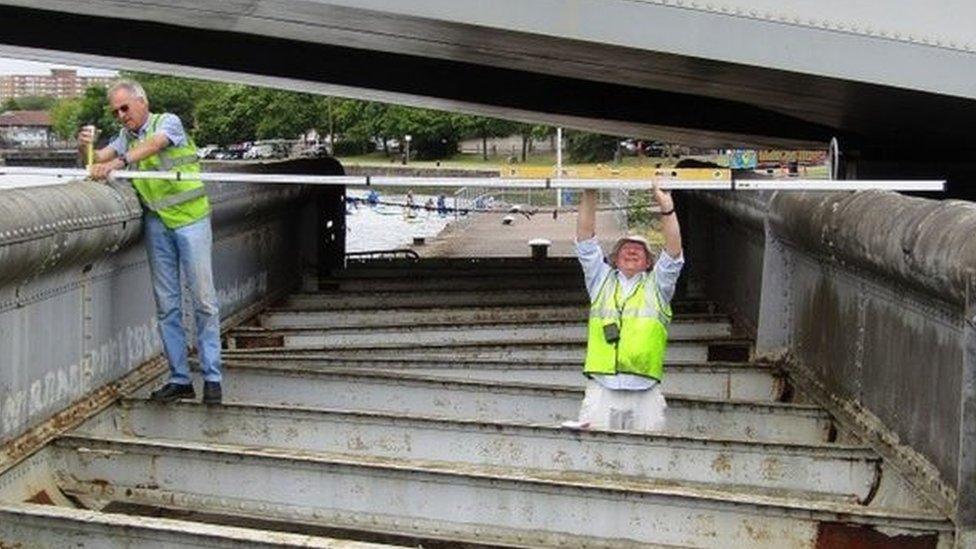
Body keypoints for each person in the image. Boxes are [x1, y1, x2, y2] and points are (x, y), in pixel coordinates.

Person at [78, 79, 223, 405]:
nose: (121, 116)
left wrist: (118, 162)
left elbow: (154, 145)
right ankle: (179, 378)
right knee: (167, 304)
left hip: (191, 220)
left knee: (203, 300)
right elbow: (96, 158)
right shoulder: (125, 137)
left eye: (125, 108)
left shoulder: (167, 122)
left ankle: (213, 378)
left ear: (141, 102)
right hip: (157, 222)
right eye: (116, 111)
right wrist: (85, 146)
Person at [565, 182, 683, 432]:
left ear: (648, 262)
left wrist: (667, 209)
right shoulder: (601, 280)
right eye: (625, 248)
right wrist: (590, 191)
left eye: (639, 249)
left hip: (645, 390)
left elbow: (673, 254)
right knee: (594, 453)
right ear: (614, 259)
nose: (631, 251)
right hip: (602, 386)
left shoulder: (657, 287)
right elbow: (585, 242)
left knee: (648, 455)